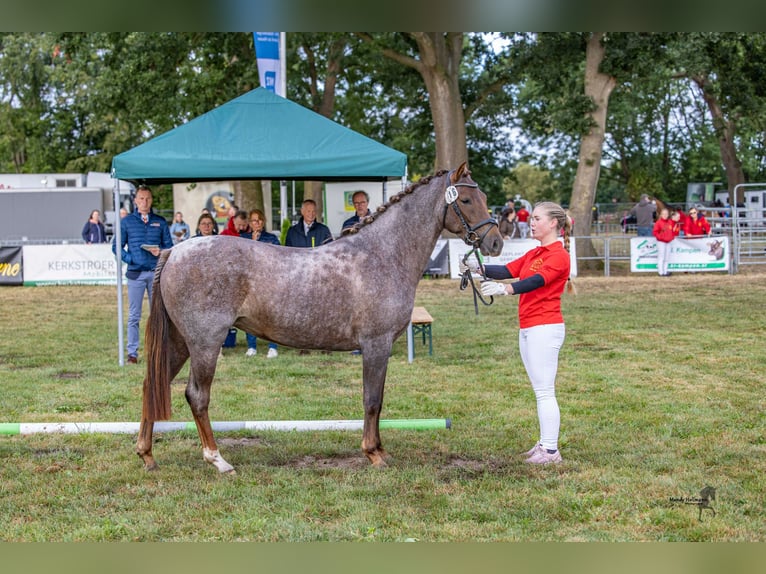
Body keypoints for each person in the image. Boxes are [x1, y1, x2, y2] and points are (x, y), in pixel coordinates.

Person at [477, 201, 573, 465]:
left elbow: (536, 281)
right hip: (530, 326)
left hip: (545, 327)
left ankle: (551, 451)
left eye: (537, 218)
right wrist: (477, 269)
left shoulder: (558, 255)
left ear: (553, 223)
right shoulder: (536, 252)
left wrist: (505, 290)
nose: (532, 222)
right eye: (531, 218)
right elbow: (508, 270)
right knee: (540, 390)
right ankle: (544, 444)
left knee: (545, 391)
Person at [112, 185, 172, 364]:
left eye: (147, 198)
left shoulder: (160, 222)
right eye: (141, 198)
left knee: (158, 314)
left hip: (156, 274)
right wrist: (131, 259)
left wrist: (160, 252)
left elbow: (169, 247)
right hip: (135, 274)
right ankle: (132, 352)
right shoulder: (127, 222)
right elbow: (116, 246)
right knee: (134, 315)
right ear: (135, 201)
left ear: (151, 200)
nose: (144, 202)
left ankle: (158, 350)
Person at [244, 209, 280, 359]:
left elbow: (279, 256)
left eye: (259, 220)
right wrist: (253, 241)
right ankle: (251, 346)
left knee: (271, 315)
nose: (256, 223)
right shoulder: (243, 239)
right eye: (253, 220)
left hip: (269, 280)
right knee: (250, 315)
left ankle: (273, 346)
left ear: (263, 222)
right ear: (250, 223)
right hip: (250, 283)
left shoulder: (271, 238)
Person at [653, 208, 680, 277]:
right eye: (663, 214)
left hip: (668, 242)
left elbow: (673, 231)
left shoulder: (669, 222)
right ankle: (661, 272)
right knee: (661, 257)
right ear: (661, 215)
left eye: (666, 214)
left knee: (667, 258)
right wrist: (661, 237)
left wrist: (672, 237)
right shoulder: (658, 223)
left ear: (668, 215)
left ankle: (665, 271)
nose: (665, 215)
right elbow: (655, 232)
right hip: (661, 242)